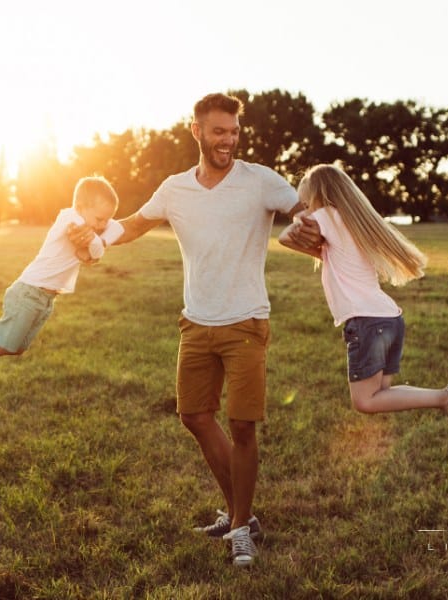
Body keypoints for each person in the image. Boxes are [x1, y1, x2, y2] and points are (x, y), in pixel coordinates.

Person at [69, 93, 304, 567]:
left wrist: (318, 226)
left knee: (241, 425)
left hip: (245, 322)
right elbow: (133, 224)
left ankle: (240, 527)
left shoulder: (259, 181)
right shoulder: (176, 189)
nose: (229, 140)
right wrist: (93, 237)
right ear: (197, 131)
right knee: (194, 416)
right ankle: (243, 514)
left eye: (234, 131)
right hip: (196, 322)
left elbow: (304, 206)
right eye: (219, 131)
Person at [278, 163, 448, 445]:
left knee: (366, 401)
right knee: (381, 394)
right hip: (389, 319)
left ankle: (445, 397)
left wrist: (303, 217)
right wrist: (319, 249)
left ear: (318, 197)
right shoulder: (354, 223)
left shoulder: (327, 216)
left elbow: (284, 236)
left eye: (307, 202)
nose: (306, 209)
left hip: (367, 322)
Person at [0, 176, 124, 401]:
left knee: (17, 349)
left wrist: (100, 238)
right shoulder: (69, 218)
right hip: (29, 293)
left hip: (45, 299)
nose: (103, 225)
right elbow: (95, 249)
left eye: (107, 220)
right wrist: (99, 245)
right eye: (100, 218)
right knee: (4, 343)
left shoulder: (89, 224)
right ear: (80, 207)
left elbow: (115, 230)